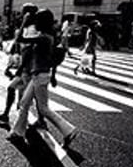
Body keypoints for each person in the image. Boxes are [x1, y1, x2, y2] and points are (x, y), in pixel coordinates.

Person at [7, 9, 79, 149]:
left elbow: (19, 39)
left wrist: (24, 22)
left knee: (43, 108)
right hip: (38, 75)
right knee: (24, 102)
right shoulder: (46, 36)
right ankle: (18, 132)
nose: (36, 23)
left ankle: (68, 130)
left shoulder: (44, 38)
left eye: (38, 21)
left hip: (40, 76)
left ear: (43, 22)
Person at [0, 3, 41, 125]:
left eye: (24, 13)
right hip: (25, 67)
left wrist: (21, 68)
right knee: (13, 89)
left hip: (29, 68)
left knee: (30, 96)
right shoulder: (27, 28)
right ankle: (6, 115)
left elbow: (29, 50)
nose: (21, 15)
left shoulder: (32, 29)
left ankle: (34, 121)